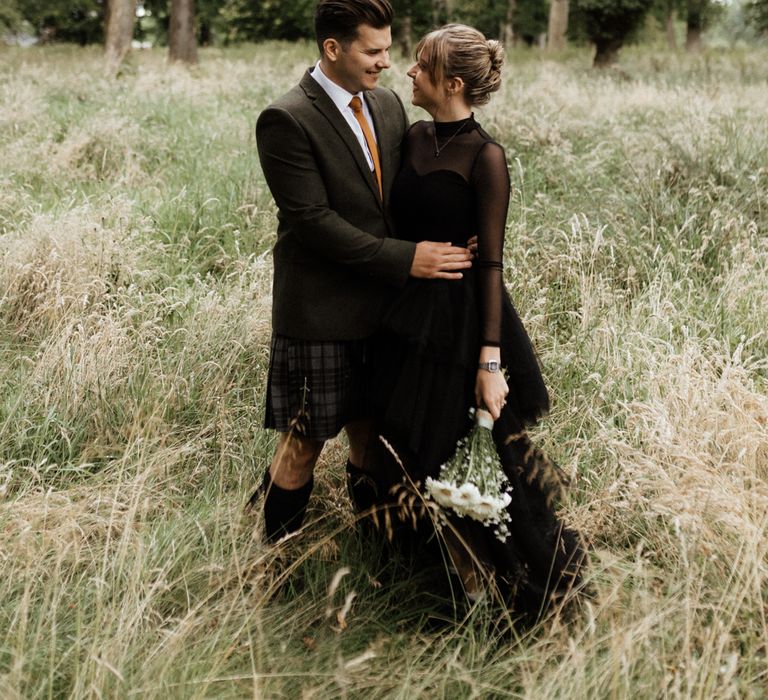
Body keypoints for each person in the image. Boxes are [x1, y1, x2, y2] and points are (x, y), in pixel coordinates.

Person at [365, 24, 587, 612]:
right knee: (401, 446)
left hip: (462, 323)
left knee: (466, 451)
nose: (408, 72)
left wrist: (491, 362)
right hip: (404, 314)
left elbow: (491, 263)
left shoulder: (487, 158)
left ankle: (502, 587)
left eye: (420, 65)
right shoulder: (411, 137)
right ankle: (424, 575)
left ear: (452, 82)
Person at [252, 0, 473, 542]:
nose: (385, 62)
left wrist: (458, 225)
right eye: (372, 51)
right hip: (321, 313)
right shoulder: (286, 118)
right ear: (333, 49)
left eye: (388, 49)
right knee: (304, 441)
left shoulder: (389, 106)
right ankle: (276, 561)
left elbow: (403, 196)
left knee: (373, 435)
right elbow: (313, 222)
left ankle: (375, 553)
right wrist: (409, 258)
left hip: (387, 309)